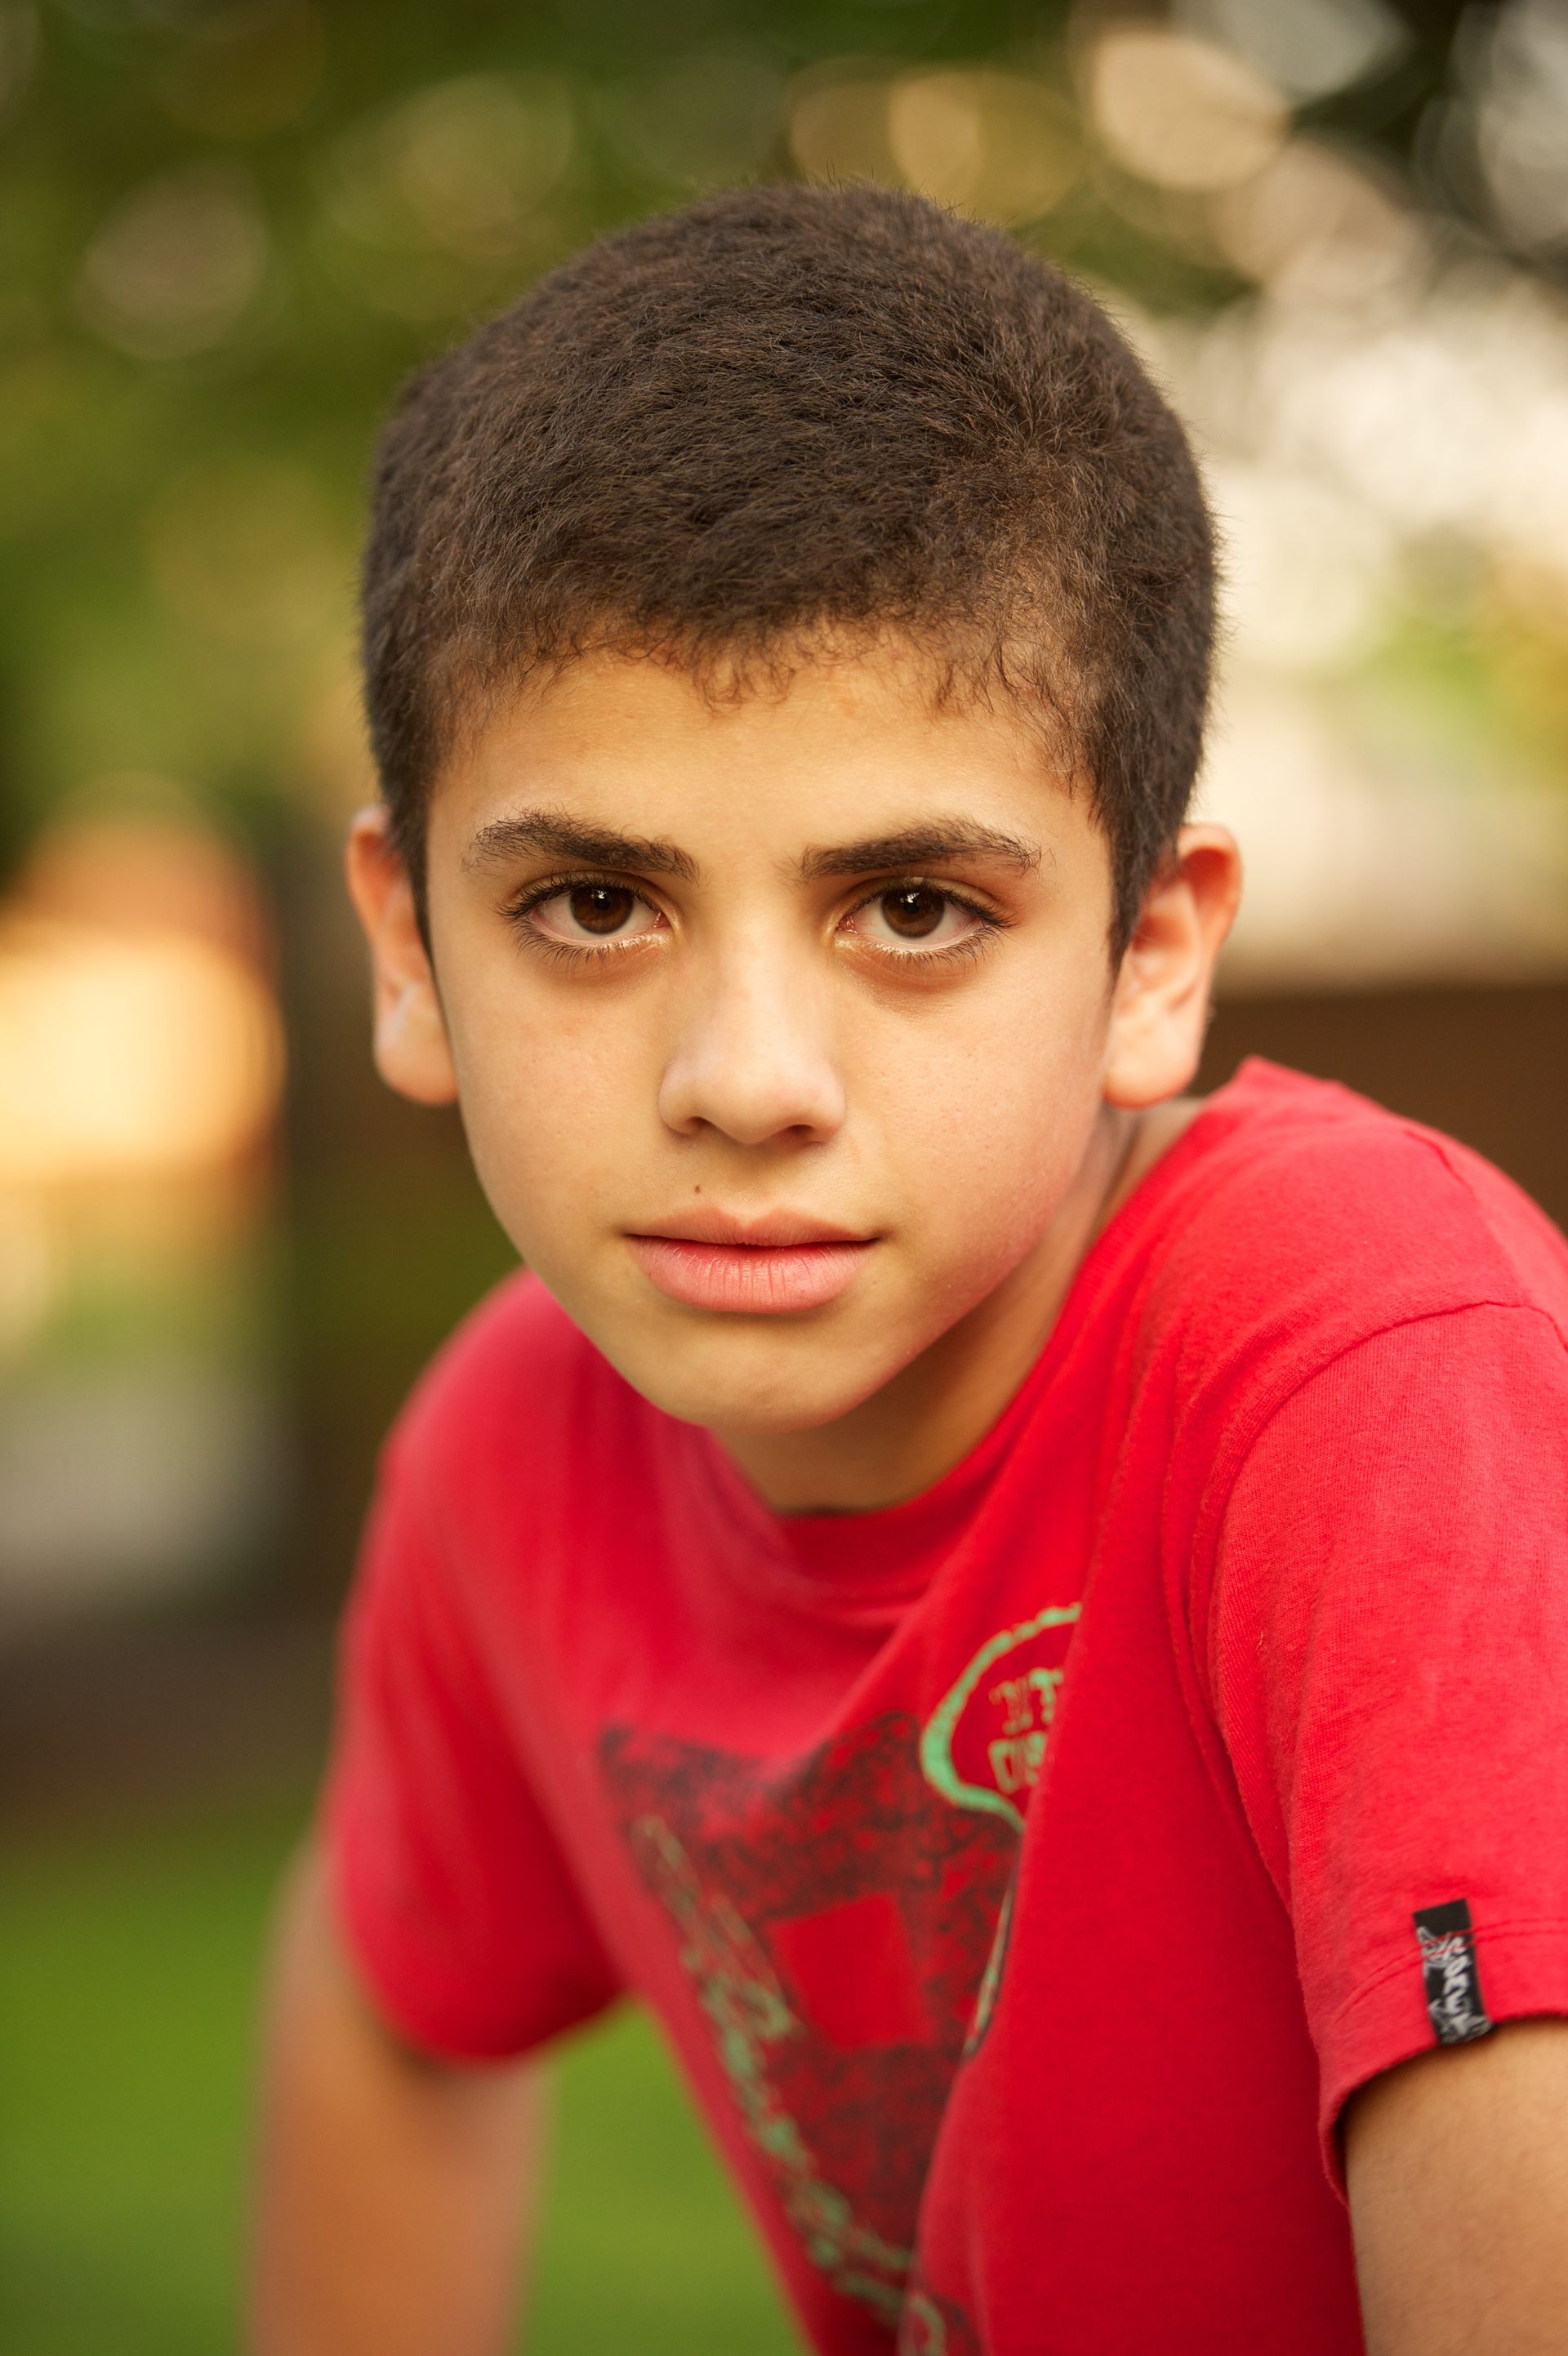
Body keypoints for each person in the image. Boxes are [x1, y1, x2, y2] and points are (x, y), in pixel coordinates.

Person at [250, 184, 1568, 2356]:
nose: (748, 1081)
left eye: (916, 909)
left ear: (1153, 957)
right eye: (594, 905)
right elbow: (391, 1988)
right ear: (410, 953)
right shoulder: (517, 1442)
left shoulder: (1367, 1365)